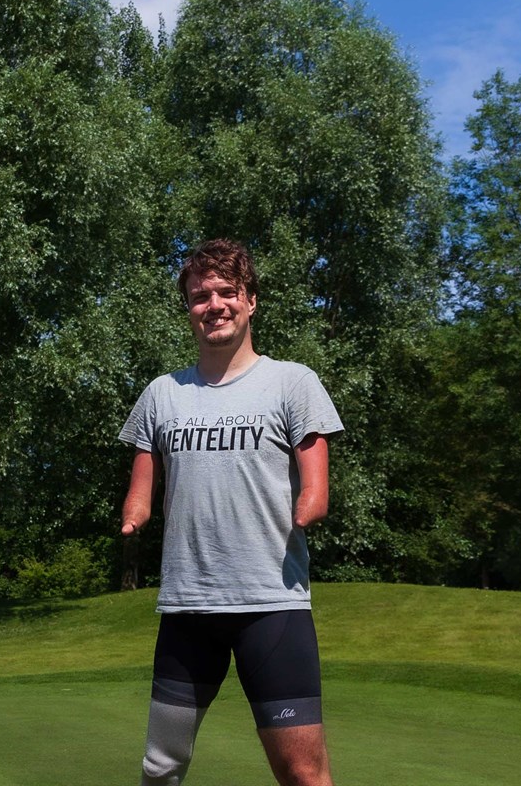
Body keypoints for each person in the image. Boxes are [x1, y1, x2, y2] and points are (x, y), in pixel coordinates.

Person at [117, 238, 342, 786]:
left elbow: (316, 482)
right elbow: (142, 479)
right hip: (189, 608)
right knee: (160, 767)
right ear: (187, 307)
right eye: (200, 296)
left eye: (226, 292)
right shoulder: (162, 394)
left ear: (251, 300)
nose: (214, 304)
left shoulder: (292, 382)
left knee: (303, 772)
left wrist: (310, 505)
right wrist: (135, 510)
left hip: (272, 605)